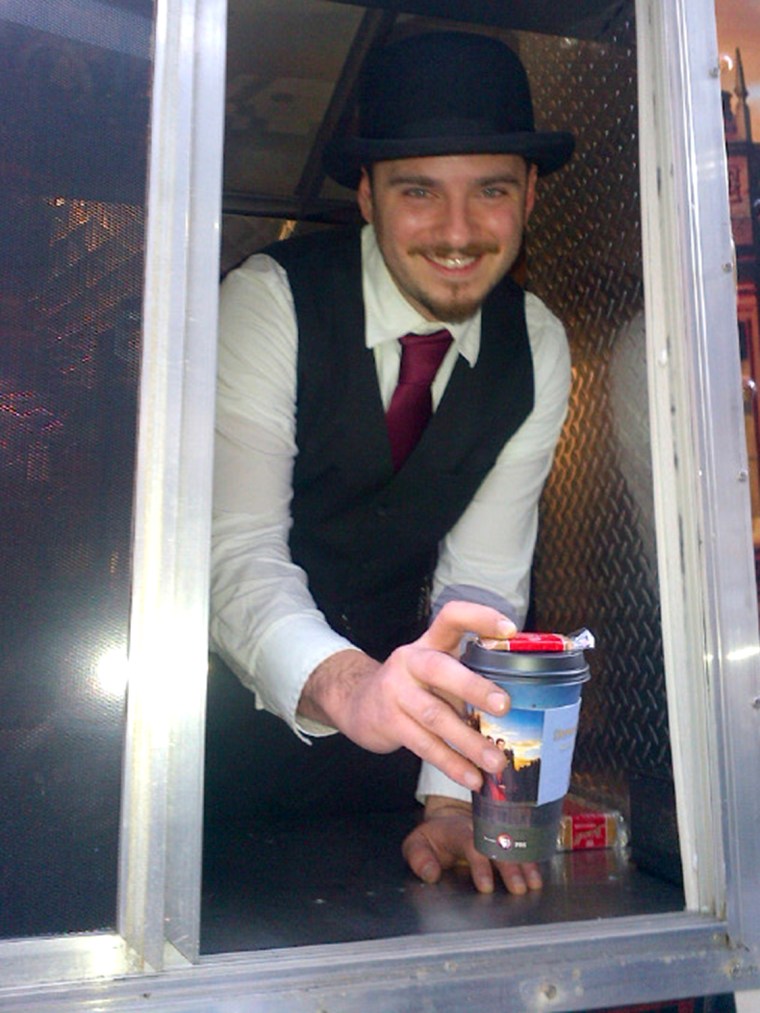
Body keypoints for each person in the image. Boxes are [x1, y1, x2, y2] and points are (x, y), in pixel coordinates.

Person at [210, 30, 574, 896]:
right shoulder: (269, 302)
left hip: (393, 767)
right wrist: (348, 686)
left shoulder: (540, 345)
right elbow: (233, 553)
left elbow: (481, 590)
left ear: (528, 192)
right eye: (420, 191)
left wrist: (451, 798)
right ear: (368, 196)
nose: (458, 233)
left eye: (490, 190)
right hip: (217, 741)